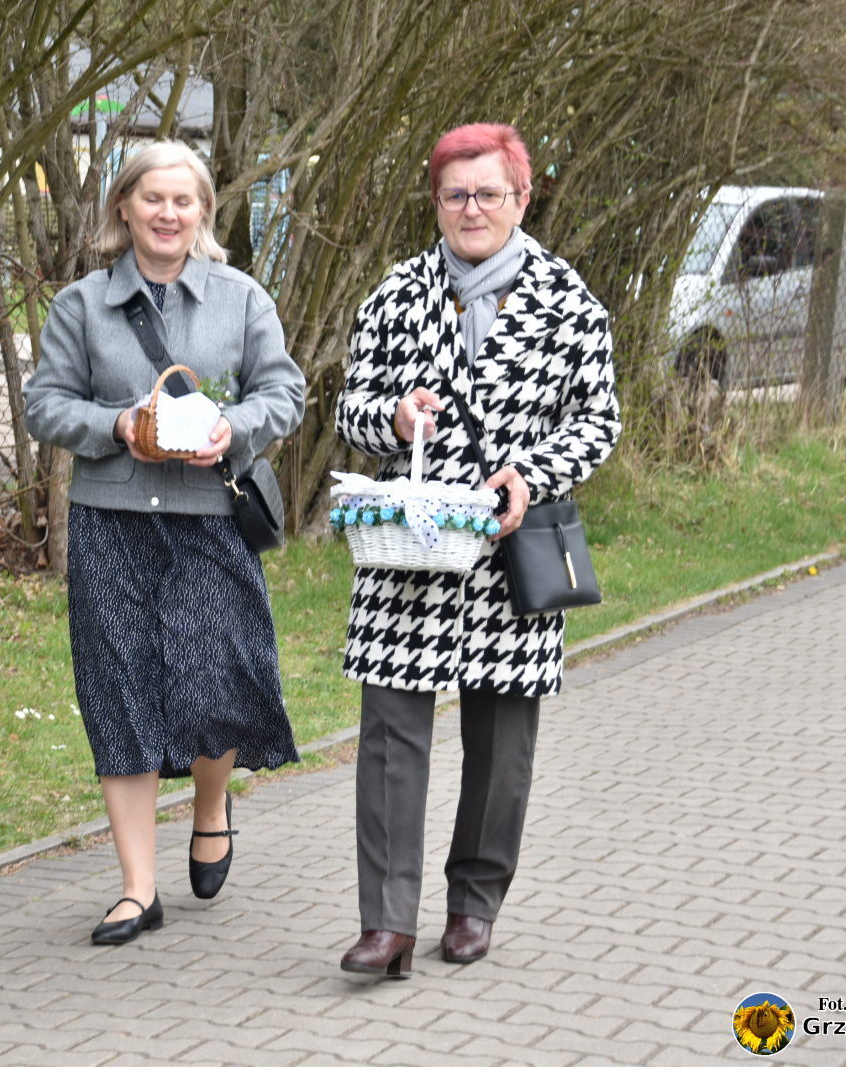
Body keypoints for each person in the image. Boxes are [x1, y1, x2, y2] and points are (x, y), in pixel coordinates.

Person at [333, 123, 621, 978]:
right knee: (391, 736)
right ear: (436, 201)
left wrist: (533, 472)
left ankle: (474, 902)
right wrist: (392, 418)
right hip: (408, 550)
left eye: (488, 193)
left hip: (509, 548)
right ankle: (387, 923)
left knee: (502, 742)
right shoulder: (396, 294)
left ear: (521, 199)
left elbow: (598, 421)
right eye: (455, 194)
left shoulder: (570, 303)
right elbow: (348, 406)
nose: (471, 209)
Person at [23, 141, 305, 946]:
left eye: (184, 201)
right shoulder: (81, 304)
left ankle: (211, 804)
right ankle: (137, 889)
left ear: (203, 211)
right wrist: (116, 424)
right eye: (153, 198)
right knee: (119, 690)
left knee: (215, 680)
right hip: (111, 521)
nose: (168, 214)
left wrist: (232, 428)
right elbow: (45, 404)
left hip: (210, 517)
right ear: (124, 205)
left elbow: (284, 391)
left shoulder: (241, 297)